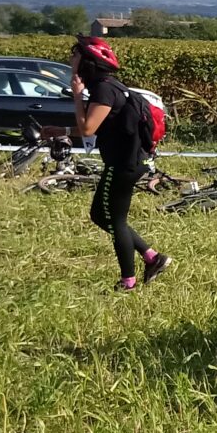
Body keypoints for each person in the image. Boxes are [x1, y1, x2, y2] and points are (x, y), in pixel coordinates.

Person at [71, 34, 170, 291]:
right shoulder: (111, 86)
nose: (71, 59)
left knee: (114, 221)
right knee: (102, 216)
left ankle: (128, 282)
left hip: (123, 164)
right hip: (131, 160)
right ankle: (152, 257)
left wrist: (76, 96)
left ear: (87, 62)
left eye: (75, 55)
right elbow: (104, 125)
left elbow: (88, 128)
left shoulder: (104, 89)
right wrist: (57, 129)